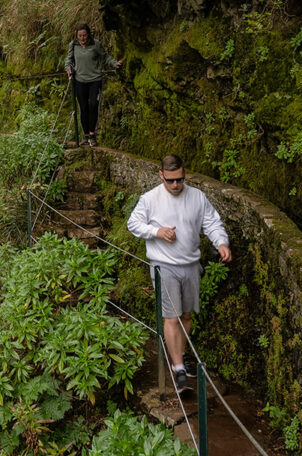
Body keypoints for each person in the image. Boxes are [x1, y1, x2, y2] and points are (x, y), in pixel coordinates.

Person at [126, 154, 231, 393]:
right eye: (171, 180)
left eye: (180, 180)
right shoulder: (150, 199)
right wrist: (157, 232)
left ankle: (180, 356)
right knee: (171, 317)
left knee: (186, 316)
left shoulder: (197, 197)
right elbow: (133, 224)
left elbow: (212, 223)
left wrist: (221, 243)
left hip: (191, 265)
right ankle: (179, 368)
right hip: (164, 266)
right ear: (161, 175)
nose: (176, 185)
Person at [65, 23, 121, 146]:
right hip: (80, 81)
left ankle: (92, 134)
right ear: (76, 35)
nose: (82, 38)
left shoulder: (96, 44)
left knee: (93, 105)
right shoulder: (73, 45)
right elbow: (68, 60)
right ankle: (85, 136)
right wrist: (68, 68)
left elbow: (105, 57)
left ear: (88, 35)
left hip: (95, 80)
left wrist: (114, 63)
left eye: (84, 35)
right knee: (83, 108)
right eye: (80, 36)